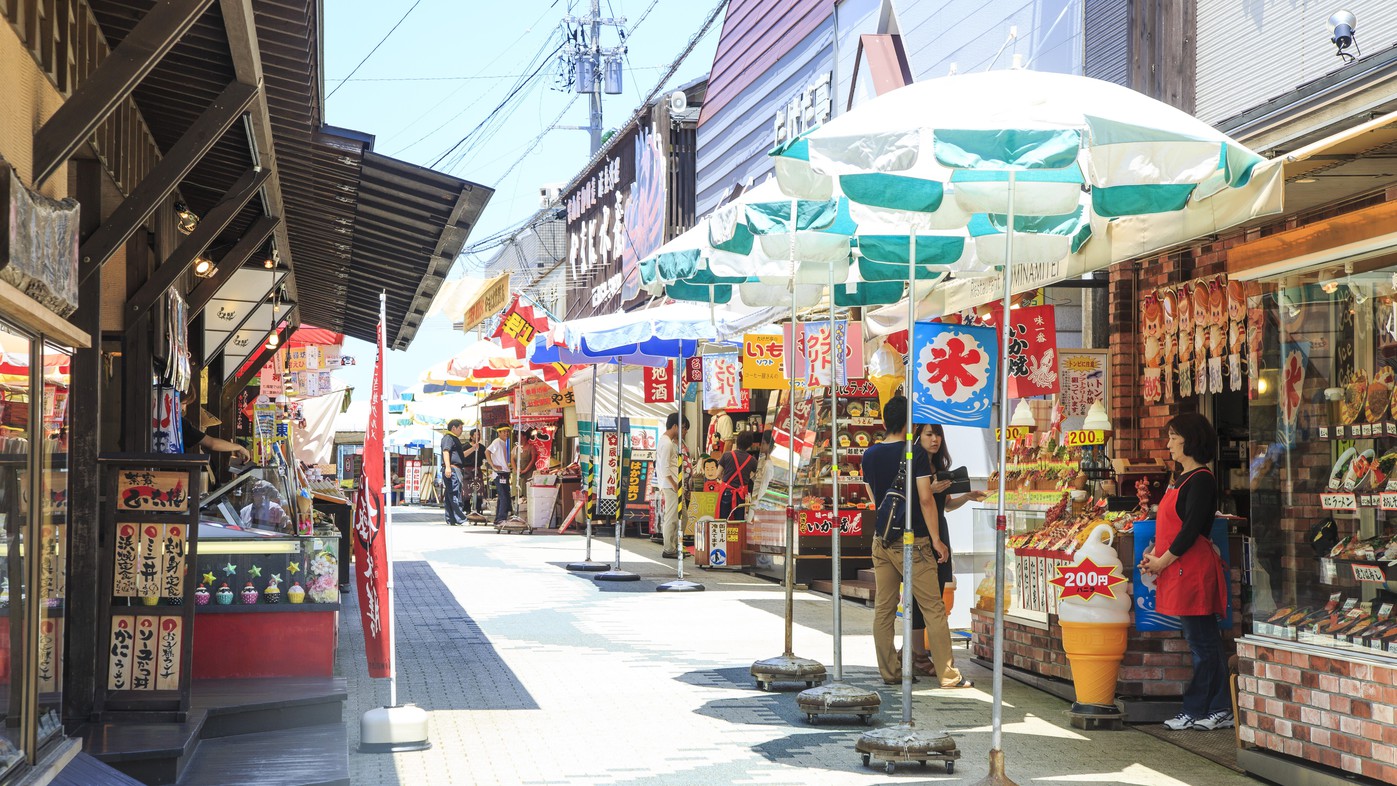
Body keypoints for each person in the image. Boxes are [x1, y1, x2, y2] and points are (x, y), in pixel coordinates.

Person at [860, 395, 972, 688]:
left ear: (886, 421)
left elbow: (875, 498)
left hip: (882, 540)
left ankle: (890, 672)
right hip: (914, 541)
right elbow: (925, 498)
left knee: (884, 609)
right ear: (908, 422)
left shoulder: (868, 455)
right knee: (933, 608)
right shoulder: (915, 453)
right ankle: (948, 675)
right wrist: (937, 539)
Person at [1140, 412, 1231, 731]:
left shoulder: (1202, 479)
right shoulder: (1179, 479)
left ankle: (1211, 707)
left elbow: (1190, 530)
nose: (1168, 444)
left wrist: (1163, 561)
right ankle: (1213, 707)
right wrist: (1153, 556)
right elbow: (1167, 529)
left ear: (1190, 441)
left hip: (1192, 570)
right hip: (1178, 568)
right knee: (1200, 641)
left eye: (1173, 437)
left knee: (1203, 642)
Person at [903, 423, 987, 676]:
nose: (935, 439)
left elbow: (946, 505)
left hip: (941, 532)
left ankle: (915, 651)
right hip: (922, 535)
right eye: (929, 434)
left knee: (937, 590)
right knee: (922, 595)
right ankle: (918, 653)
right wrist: (930, 489)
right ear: (919, 436)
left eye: (938, 434)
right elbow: (918, 500)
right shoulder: (913, 464)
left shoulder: (938, 468)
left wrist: (968, 496)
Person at [657, 412, 689, 559]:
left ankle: (675, 546)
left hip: (672, 484)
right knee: (672, 517)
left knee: (682, 517)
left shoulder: (667, 441)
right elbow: (664, 469)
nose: (683, 431)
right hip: (671, 486)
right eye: (682, 428)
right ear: (675, 426)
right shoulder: (668, 443)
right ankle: (669, 548)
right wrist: (675, 485)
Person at [716, 431, 757, 520]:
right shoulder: (752, 460)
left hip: (726, 493)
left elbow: (718, 474)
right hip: (741, 495)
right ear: (750, 444)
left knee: (724, 521)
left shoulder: (726, 455)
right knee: (739, 522)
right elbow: (756, 478)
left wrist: (726, 482)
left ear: (737, 441)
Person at [440, 419, 468, 525]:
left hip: (455, 468)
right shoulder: (448, 438)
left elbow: (460, 455)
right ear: (453, 428)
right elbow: (446, 451)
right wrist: (448, 467)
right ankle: (460, 518)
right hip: (452, 468)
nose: (461, 431)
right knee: (455, 493)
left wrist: (473, 448)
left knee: (449, 494)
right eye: (460, 428)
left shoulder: (454, 439)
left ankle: (450, 518)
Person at [487, 426, 513, 523]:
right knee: (503, 496)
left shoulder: (504, 443)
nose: (506, 433)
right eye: (504, 432)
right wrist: (492, 465)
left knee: (503, 495)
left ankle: (499, 517)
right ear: (499, 433)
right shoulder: (497, 442)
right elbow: (487, 451)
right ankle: (501, 518)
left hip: (504, 472)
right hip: (499, 473)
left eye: (507, 432)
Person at [461, 428, 484, 517]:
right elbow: (462, 455)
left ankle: (478, 509)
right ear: (471, 436)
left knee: (479, 490)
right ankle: (467, 508)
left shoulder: (481, 447)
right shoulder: (466, 446)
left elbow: (487, 455)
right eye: (476, 434)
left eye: (479, 434)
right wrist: (473, 449)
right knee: (467, 490)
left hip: (477, 469)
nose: (478, 436)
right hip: (467, 470)